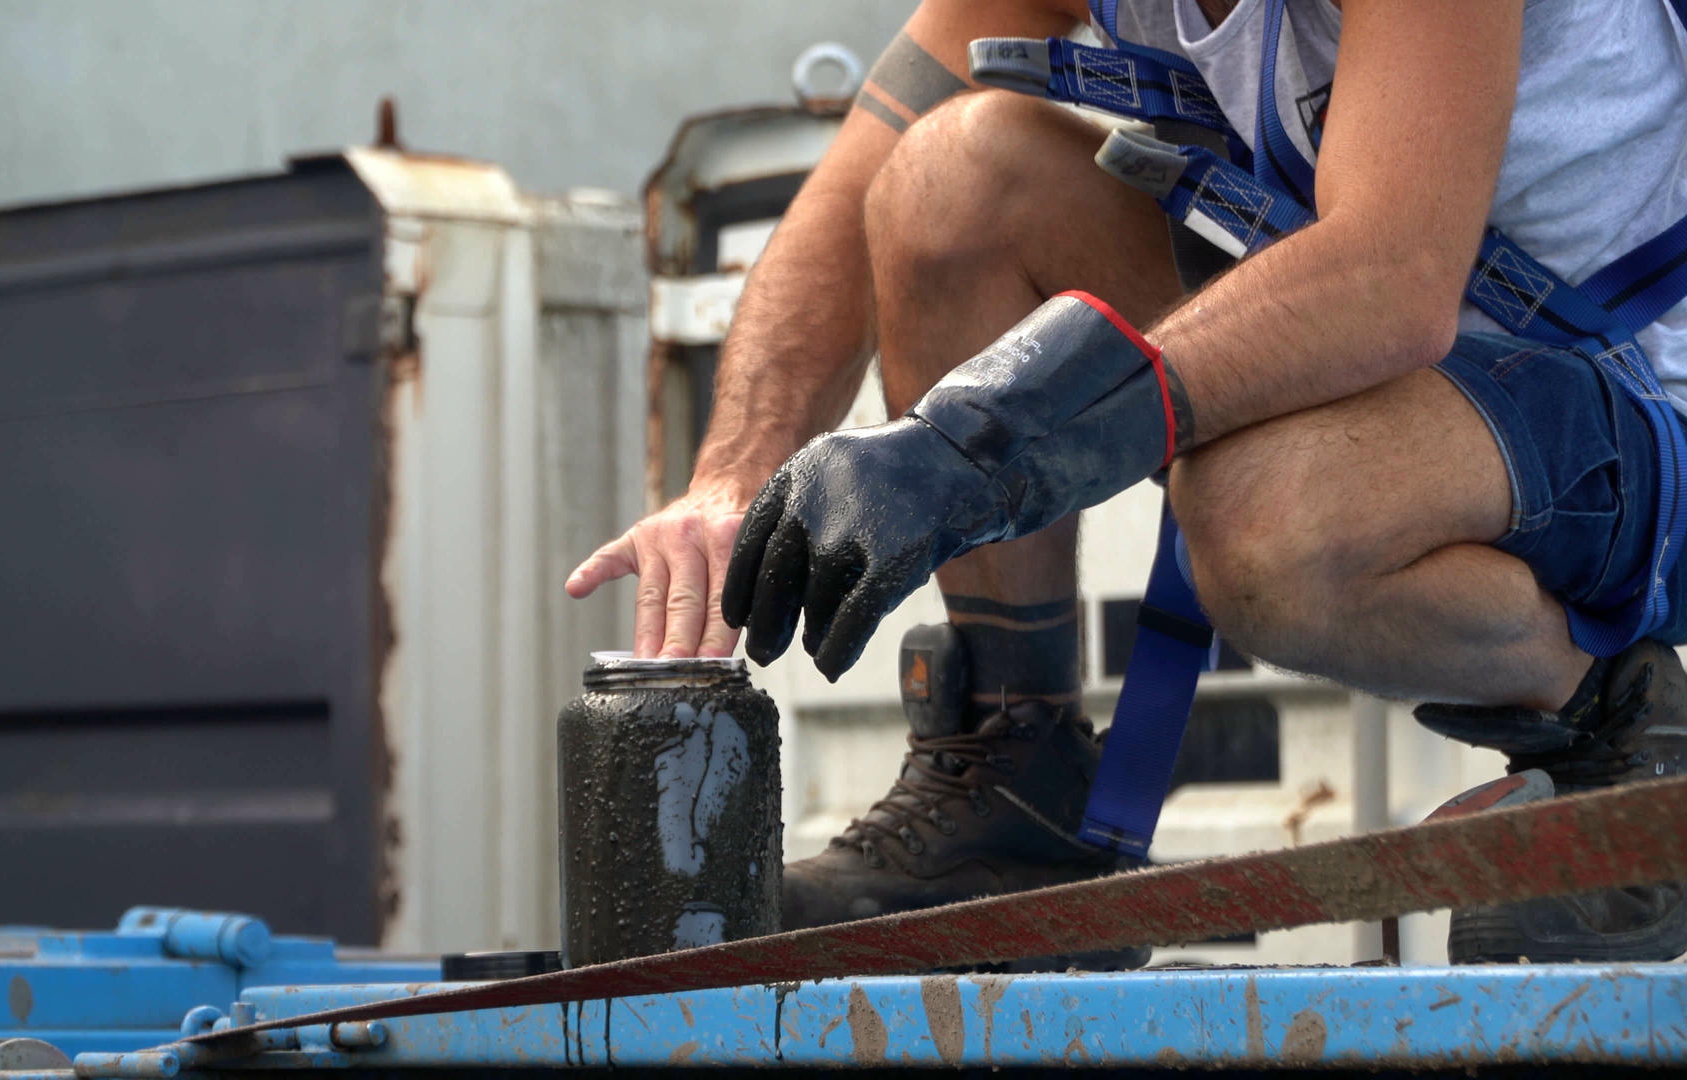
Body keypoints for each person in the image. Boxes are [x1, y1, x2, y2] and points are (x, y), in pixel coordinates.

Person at [568, 0, 1687, 965]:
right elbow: (856, 184)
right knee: (952, 178)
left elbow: (1390, 277)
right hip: (1421, 366)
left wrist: (985, 438)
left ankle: (1614, 728)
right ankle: (1019, 783)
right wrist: (727, 482)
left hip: (1638, 404)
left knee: (1266, 520)